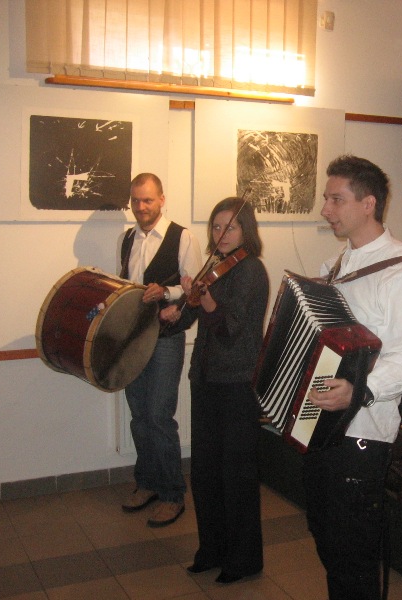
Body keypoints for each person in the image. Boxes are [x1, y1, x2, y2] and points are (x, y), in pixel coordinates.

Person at [305, 155, 402, 600]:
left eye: (336, 199)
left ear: (368, 204)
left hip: (364, 433)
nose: (326, 209)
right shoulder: (336, 265)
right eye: (326, 199)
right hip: (322, 426)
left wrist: (360, 390)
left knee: (354, 555)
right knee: (327, 539)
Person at [160, 197, 269, 584]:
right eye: (216, 226)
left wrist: (205, 300)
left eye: (230, 227)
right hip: (205, 379)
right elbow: (191, 313)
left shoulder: (251, 270)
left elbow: (232, 328)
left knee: (236, 474)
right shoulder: (213, 267)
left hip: (237, 382)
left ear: (245, 230)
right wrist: (173, 313)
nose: (221, 234)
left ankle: (243, 559)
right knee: (205, 472)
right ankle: (211, 549)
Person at [118, 172, 202, 527]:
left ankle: (172, 494)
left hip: (166, 338)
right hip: (134, 338)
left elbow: (196, 289)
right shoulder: (126, 238)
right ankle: (148, 482)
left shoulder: (183, 237)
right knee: (139, 415)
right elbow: (125, 285)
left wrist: (166, 292)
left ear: (162, 200)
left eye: (148, 200)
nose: (141, 207)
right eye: (136, 200)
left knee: (158, 416)